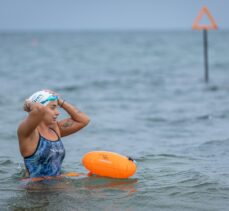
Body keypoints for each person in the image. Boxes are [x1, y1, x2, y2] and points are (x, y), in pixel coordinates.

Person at [17, 90, 90, 178]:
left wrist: (60, 101)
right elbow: (38, 109)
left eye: (57, 107)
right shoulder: (28, 133)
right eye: (52, 108)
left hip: (56, 184)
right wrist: (29, 103)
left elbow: (84, 120)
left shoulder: (55, 129)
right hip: (36, 189)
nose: (57, 112)